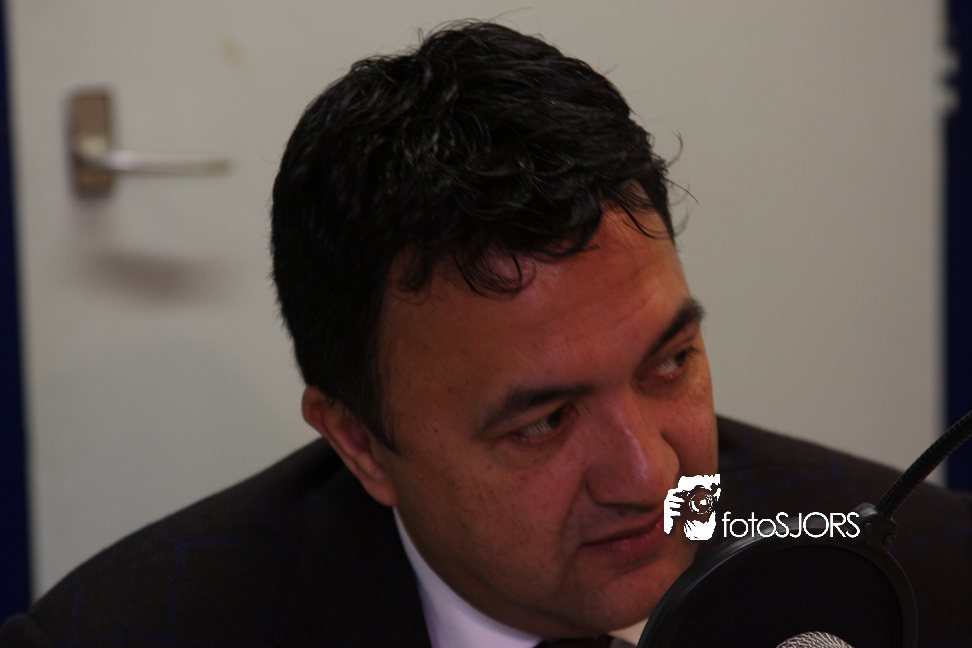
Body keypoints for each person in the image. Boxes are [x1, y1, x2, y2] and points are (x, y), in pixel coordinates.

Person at [2, 21, 970, 648]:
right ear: (359, 443)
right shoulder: (135, 632)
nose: (652, 475)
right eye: (543, 422)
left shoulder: (930, 573)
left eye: (669, 363)